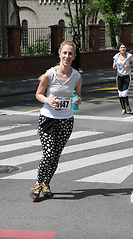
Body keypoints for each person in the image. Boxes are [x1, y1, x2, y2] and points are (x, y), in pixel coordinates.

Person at [29, 41, 82, 201]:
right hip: (48, 119)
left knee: (56, 155)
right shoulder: (49, 74)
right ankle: (38, 184)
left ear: (74, 56)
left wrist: (78, 100)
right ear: (59, 54)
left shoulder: (77, 76)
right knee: (49, 153)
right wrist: (48, 101)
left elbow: (77, 95)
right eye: (64, 53)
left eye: (70, 54)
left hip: (66, 120)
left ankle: (46, 184)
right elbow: (38, 94)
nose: (67, 56)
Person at [113, 43, 133, 115]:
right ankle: (123, 109)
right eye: (121, 47)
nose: (123, 49)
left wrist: (129, 65)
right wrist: (115, 66)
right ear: (119, 49)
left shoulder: (129, 56)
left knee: (124, 94)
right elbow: (114, 67)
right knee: (120, 94)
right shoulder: (116, 57)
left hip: (127, 76)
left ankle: (128, 106)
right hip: (119, 76)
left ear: (126, 49)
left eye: (124, 47)